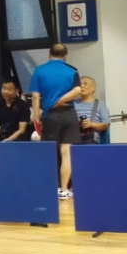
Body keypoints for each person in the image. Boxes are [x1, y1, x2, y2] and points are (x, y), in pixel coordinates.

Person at [29, 43, 82, 199]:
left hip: (50, 115)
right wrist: (60, 101)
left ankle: (51, 188)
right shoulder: (72, 70)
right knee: (67, 152)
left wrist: (37, 116)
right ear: (65, 56)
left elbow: (35, 96)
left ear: (49, 54)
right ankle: (64, 190)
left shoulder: (39, 71)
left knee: (50, 152)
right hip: (69, 114)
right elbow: (78, 91)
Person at [74, 76, 111, 144]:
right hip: (74, 135)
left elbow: (106, 125)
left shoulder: (100, 104)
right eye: (80, 84)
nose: (82, 86)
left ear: (93, 88)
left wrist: (91, 124)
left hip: (91, 137)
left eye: (85, 83)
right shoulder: (73, 103)